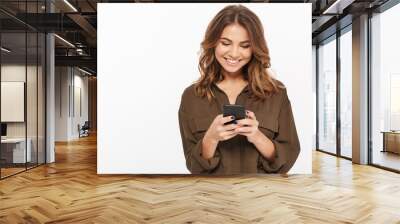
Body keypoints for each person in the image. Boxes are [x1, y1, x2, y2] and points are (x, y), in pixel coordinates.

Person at [178, 5, 300, 174]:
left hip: (261, 196)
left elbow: (287, 159)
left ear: (255, 48)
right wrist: (211, 138)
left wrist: (256, 136)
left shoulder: (276, 93)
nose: (234, 53)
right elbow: (193, 165)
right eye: (226, 43)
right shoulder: (192, 96)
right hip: (211, 197)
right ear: (213, 43)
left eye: (244, 45)